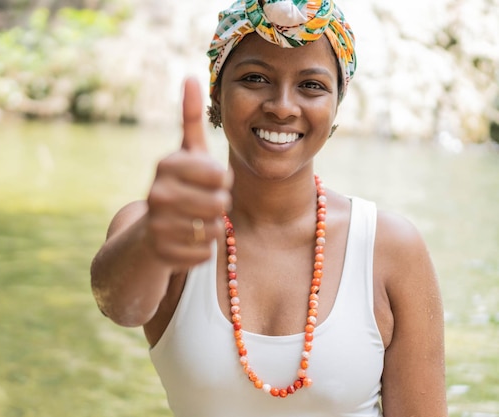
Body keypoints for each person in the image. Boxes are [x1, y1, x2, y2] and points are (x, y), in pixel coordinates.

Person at [90, 0, 448, 415]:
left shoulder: (388, 248)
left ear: (336, 107)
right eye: (255, 78)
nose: (282, 106)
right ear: (217, 94)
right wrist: (155, 235)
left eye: (311, 85)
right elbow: (118, 302)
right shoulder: (158, 227)